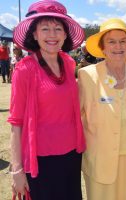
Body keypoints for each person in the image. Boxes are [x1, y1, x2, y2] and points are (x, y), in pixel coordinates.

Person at [7, 0, 86, 199]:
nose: (52, 35)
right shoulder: (24, 69)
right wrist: (16, 169)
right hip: (39, 160)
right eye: (45, 28)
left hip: (71, 155)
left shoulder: (69, 63)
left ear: (65, 34)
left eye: (58, 28)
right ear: (34, 34)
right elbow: (16, 123)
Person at [78, 18, 126, 200]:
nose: (117, 46)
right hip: (99, 160)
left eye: (122, 41)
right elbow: (76, 118)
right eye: (111, 41)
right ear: (102, 47)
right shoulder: (87, 75)